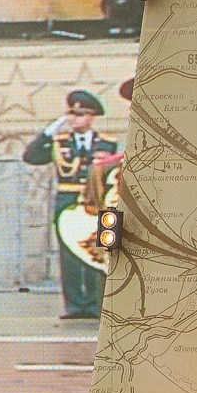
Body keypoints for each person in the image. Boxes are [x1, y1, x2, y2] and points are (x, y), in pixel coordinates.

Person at [22, 90, 120, 320]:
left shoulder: (108, 143)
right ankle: (76, 306)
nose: (75, 119)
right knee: (70, 255)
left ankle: (99, 305)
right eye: (72, 114)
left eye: (81, 114)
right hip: (68, 203)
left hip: (100, 202)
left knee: (102, 253)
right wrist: (49, 131)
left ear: (92, 116)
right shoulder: (59, 142)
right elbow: (31, 157)